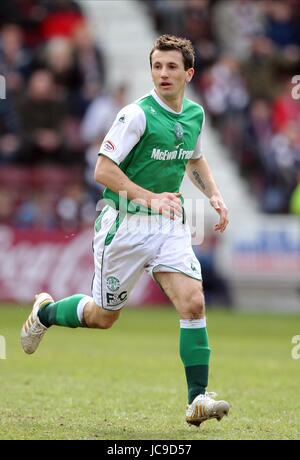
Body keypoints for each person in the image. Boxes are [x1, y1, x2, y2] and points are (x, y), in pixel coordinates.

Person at [21, 35, 230, 427]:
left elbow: (195, 159)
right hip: (124, 225)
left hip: (169, 223)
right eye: (157, 66)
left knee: (193, 303)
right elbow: (102, 169)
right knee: (103, 316)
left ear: (189, 73)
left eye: (171, 67)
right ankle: (45, 313)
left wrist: (215, 195)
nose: (163, 74)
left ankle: (197, 399)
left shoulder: (195, 115)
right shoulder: (136, 115)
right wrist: (148, 197)